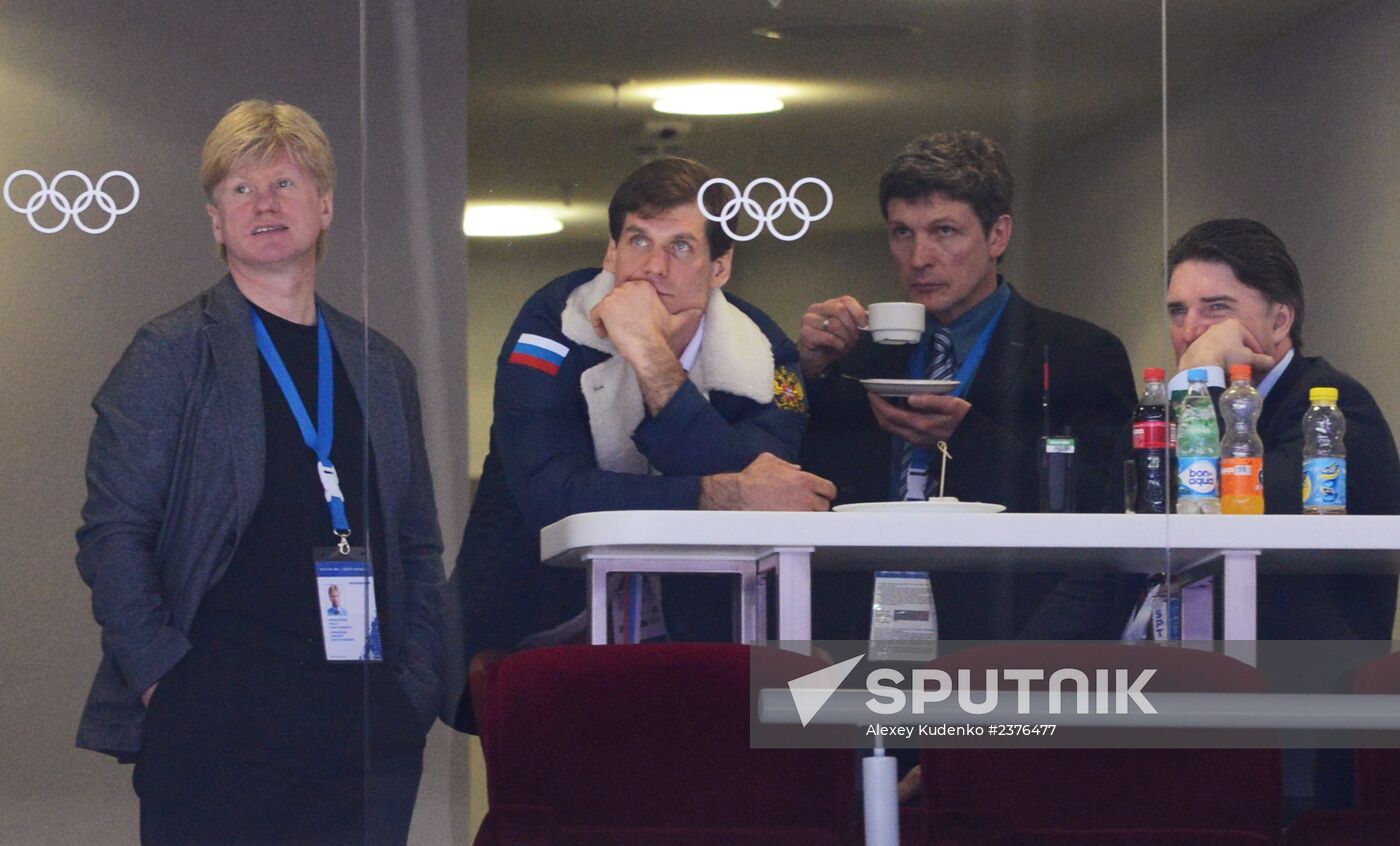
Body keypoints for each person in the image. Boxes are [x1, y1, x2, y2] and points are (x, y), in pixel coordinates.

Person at [75, 100, 445, 845]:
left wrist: (414, 688)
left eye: (283, 183)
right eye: (241, 189)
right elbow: (113, 534)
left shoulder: (380, 366)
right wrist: (165, 682)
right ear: (216, 222)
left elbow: (418, 544)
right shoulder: (171, 353)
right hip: (217, 721)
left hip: (365, 721)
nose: (264, 204)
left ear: (325, 206)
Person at [442, 156, 834, 730]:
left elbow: (758, 514)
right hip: (542, 635)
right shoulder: (553, 324)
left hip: (704, 646)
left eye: (681, 247)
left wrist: (650, 356)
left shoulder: (764, 353)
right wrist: (721, 493)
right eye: (638, 241)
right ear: (610, 253)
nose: (652, 267)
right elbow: (554, 500)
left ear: (720, 266)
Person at [798, 130, 1137, 641]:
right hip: (859, 632)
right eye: (902, 233)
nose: (919, 257)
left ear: (998, 236)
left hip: (1008, 638)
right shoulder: (860, 355)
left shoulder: (1080, 353)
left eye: (944, 231)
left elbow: (1100, 516)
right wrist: (810, 372)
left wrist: (969, 436)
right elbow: (808, 486)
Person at [1166, 217, 1400, 639]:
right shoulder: (1179, 406)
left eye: (1216, 308)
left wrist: (1198, 377)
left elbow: (1227, 505)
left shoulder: (1335, 406)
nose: (1190, 331)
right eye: (1178, 311)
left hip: (1299, 671)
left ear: (1279, 322)